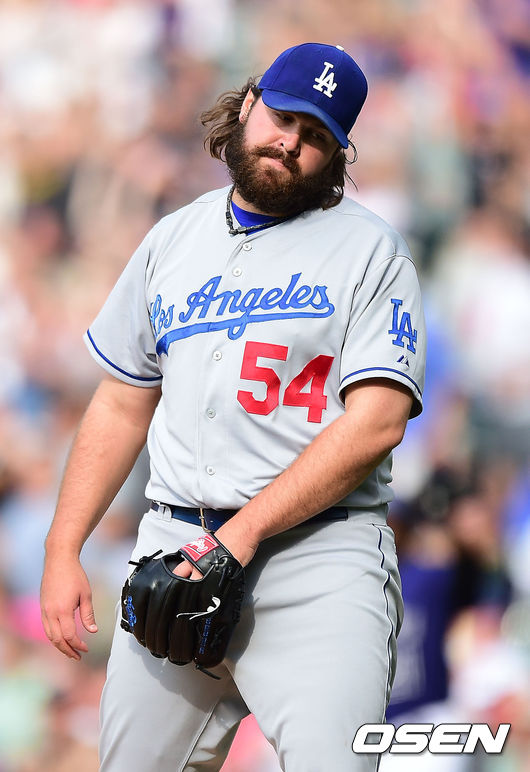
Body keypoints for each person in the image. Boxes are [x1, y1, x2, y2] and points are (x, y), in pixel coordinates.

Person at [40, 42, 426, 771]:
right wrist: (64, 548)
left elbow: (377, 423)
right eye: (284, 117)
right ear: (249, 105)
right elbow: (122, 402)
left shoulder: (372, 253)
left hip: (319, 561)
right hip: (176, 545)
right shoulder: (172, 239)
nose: (291, 143)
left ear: (337, 155)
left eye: (316, 135)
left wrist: (241, 536)